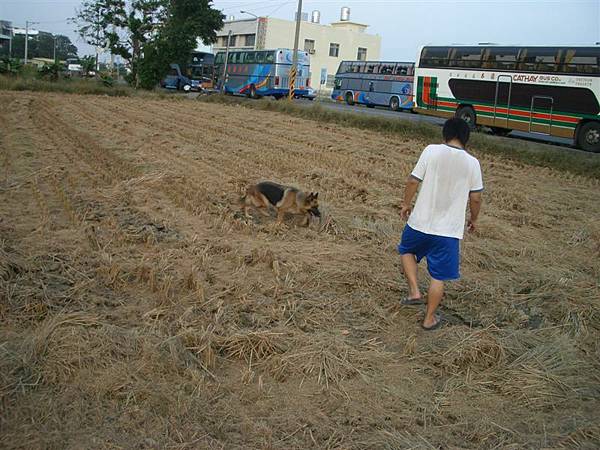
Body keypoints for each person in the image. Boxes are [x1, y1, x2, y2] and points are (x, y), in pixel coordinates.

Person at [397, 118, 483, 330]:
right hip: (448, 231)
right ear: (466, 138)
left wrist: (406, 204)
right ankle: (429, 319)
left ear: (445, 134)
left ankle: (415, 291)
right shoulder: (473, 163)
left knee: (406, 250)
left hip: (419, 223)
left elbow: (412, 180)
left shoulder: (431, 151)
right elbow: (476, 198)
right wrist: (473, 219)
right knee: (438, 276)